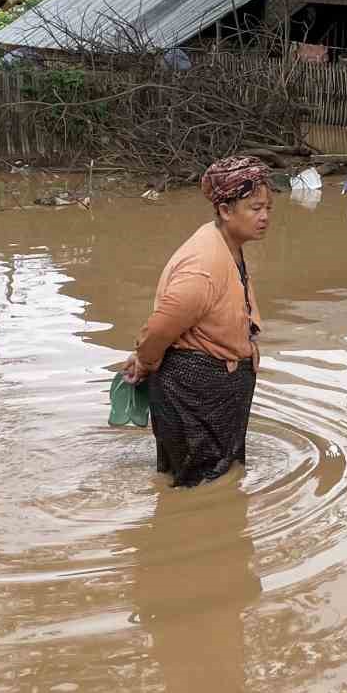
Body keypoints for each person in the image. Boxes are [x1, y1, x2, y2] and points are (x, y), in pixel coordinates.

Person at [123, 156, 273, 486]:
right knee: (199, 488)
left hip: (215, 390)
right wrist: (144, 361)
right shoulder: (202, 266)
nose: (264, 217)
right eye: (255, 208)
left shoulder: (228, 245)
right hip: (193, 393)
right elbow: (161, 328)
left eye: (267, 208)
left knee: (213, 480)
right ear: (224, 210)